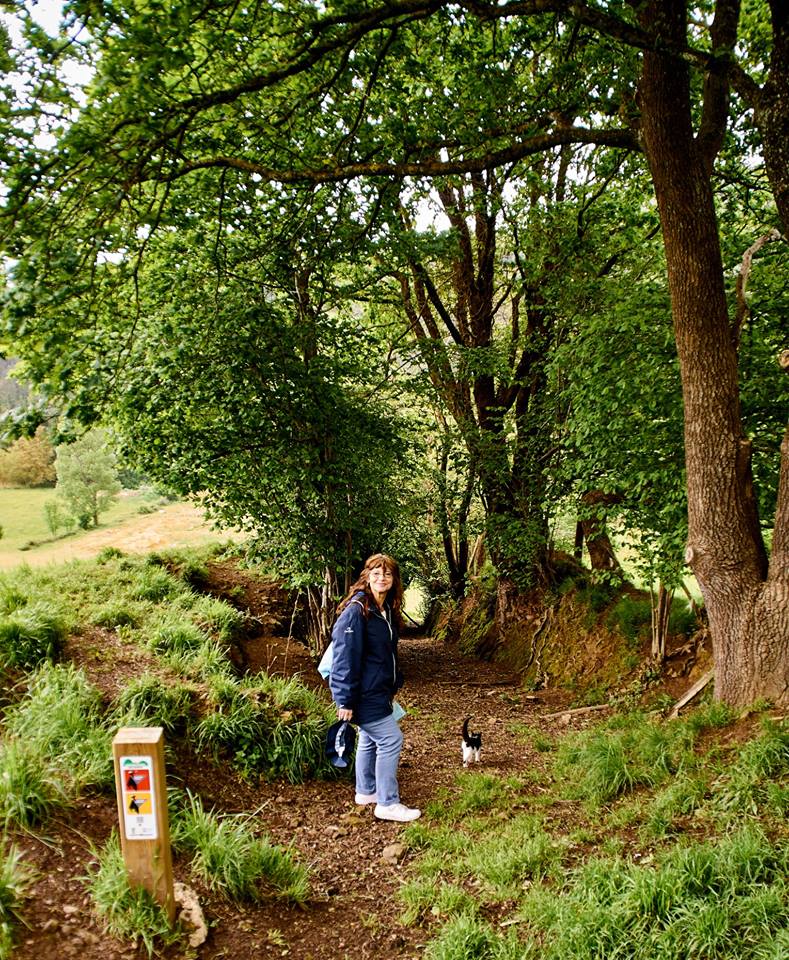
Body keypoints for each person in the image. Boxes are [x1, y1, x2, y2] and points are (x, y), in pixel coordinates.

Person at [329, 553, 421, 823]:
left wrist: (394, 683)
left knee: (370, 739)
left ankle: (366, 791)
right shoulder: (356, 611)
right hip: (363, 693)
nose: (382, 578)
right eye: (377, 573)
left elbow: (386, 653)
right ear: (367, 577)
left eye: (388, 574)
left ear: (394, 580)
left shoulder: (385, 610)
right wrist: (344, 700)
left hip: (380, 690)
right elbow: (343, 658)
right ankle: (387, 803)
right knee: (391, 739)